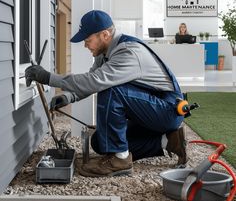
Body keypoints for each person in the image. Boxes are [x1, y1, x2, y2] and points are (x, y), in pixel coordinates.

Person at [25, 10, 187, 178]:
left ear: (105, 35)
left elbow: (95, 81)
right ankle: (169, 141)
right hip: (150, 108)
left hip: (167, 110)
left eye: (88, 40)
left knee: (111, 91)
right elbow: (90, 84)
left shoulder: (128, 52)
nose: (85, 45)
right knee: (101, 142)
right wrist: (68, 97)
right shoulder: (105, 54)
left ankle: (121, 160)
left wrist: (48, 78)